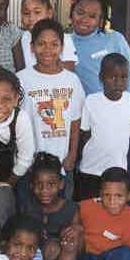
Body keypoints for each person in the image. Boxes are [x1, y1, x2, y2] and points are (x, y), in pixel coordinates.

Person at [16, 19, 84, 199]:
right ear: (32, 47)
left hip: (62, 163)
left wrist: (72, 154)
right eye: (41, 44)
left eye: (54, 44)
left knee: (61, 215)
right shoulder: (21, 79)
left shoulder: (72, 80)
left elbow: (76, 120)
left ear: (62, 47)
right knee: (29, 216)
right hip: (30, 163)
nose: (47, 50)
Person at [76, 53, 130, 201]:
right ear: (101, 77)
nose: (119, 82)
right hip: (91, 169)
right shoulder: (91, 101)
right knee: (88, 209)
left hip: (118, 169)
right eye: (113, 77)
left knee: (113, 209)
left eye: (124, 77)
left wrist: (129, 164)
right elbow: (84, 134)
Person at [20, 153, 82, 260]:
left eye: (51, 185)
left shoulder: (70, 208)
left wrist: (77, 228)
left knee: (61, 244)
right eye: (38, 185)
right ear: (31, 185)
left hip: (60, 258)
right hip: (34, 254)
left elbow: (77, 233)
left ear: (61, 184)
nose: (44, 190)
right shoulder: (28, 206)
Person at [68, 0, 130, 97]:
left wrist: (128, 103)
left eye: (92, 16)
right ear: (72, 12)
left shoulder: (115, 39)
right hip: (88, 111)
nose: (84, 19)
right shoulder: (64, 44)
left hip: (117, 108)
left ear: (101, 21)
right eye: (80, 12)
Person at [14, 0, 77, 72]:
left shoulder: (63, 38)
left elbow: (69, 67)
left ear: (49, 14)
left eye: (37, 12)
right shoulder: (19, 40)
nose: (31, 18)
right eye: (26, 13)